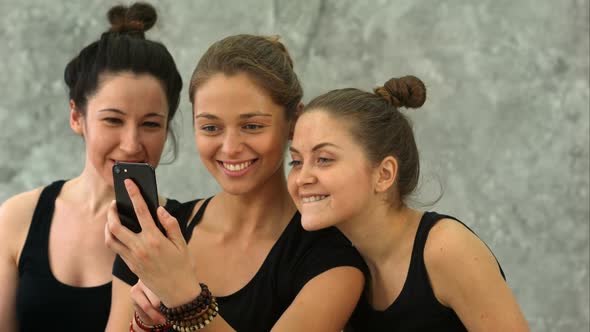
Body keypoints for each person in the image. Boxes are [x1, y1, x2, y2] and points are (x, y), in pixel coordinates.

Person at [106, 34, 366, 331]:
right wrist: (143, 323)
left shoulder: (331, 261)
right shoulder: (155, 234)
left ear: (294, 121)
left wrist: (183, 297)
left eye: (252, 126)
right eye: (211, 127)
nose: (230, 148)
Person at [287, 76, 531, 331]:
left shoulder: (446, 249)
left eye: (324, 159)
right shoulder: (332, 262)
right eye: (296, 162)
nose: (302, 178)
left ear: (384, 174)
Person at [0, 3, 183, 331]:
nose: (131, 144)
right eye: (113, 120)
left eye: (151, 124)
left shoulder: (179, 234)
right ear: (76, 116)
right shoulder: (16, 219)